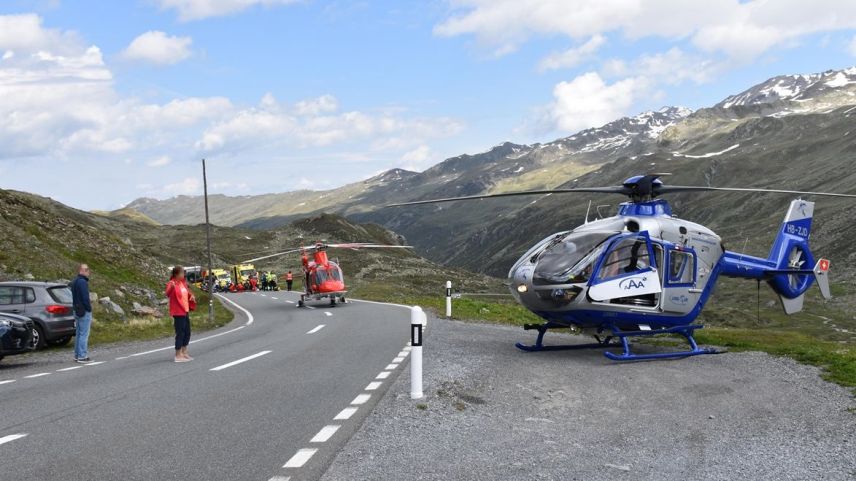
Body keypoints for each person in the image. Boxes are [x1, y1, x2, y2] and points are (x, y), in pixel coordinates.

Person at [166, 266, 195, 363]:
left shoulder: (183, 283)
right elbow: (167, 293)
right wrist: (172, 288)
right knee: (180, 332)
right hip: (178, 312)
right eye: (182, 273)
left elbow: (186, 293)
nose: (183, 275)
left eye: (183, 273)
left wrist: (191, 296)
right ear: (176, 274)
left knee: (187, 332)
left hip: (185, 310)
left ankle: (184, 352)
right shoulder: (172, 283)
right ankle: (178, 354)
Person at [70, 264, 94, 363]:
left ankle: (77, 355)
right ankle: (82, 356)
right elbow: (85, 298)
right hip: (83, 311)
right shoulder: (83, 282)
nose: (89, 272)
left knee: (79, 334)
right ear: (82, 270)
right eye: (87, 270)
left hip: (76, 309)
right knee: (84, 334)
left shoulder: (74, 281)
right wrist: (89, 308)